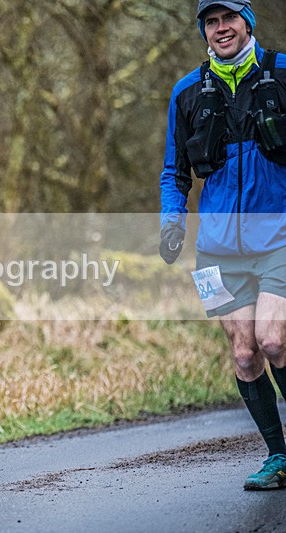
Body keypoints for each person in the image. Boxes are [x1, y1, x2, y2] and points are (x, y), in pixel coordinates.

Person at [159, 0, 286, 490]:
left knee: (274, 340)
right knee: (245, 354)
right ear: (202, 31)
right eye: (211, 22)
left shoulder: (280, 73)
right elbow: (174, 173)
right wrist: (172, 223)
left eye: (228, 18)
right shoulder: (188, 91)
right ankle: (278, 456)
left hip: (277, 238)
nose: (220, 28)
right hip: (216, 250)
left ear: (247, 22)